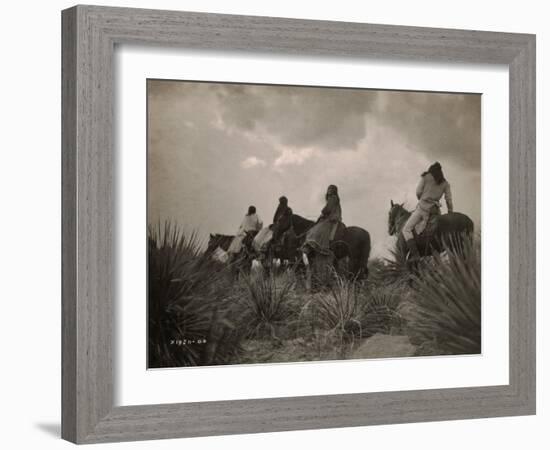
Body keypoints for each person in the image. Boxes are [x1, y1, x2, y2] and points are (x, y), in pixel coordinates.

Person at [402, 162, 453, 260]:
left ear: (431, 170)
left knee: (406, 229)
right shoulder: (445, 183)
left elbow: (418, 192)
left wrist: (422, 198)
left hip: (422, 208)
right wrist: (450, 212)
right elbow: (448, 199)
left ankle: (415, 255)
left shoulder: (425, 177)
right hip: (435, 210)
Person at [302, 185, 342, 255]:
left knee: (318, 228)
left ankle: (317, 246)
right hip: (331, 216)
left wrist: (323, 213)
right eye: (328, 189)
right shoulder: (334, 198)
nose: (329, 191)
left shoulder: (332, 198)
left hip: (332, 217)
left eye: (331, 189)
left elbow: (328, 208)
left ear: (334, 191)